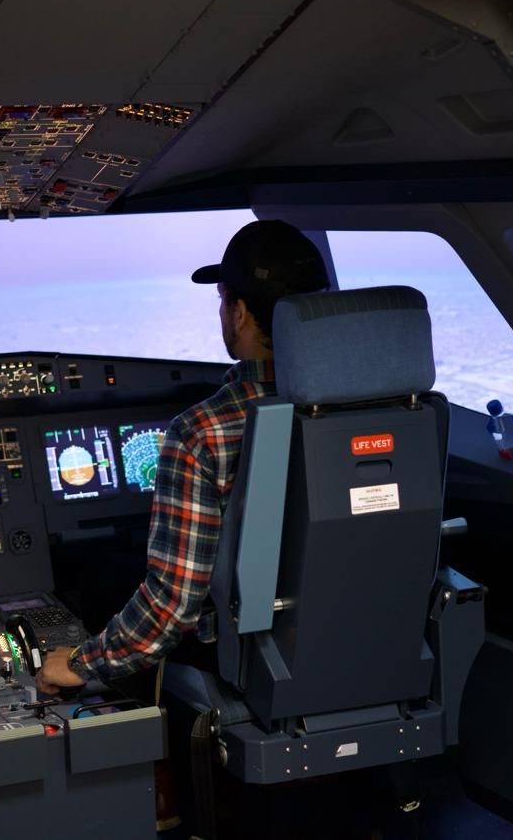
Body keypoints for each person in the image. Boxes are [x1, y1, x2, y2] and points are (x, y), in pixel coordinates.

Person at [35, 219, 329, 693]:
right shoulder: (393, 409)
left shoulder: (201, 431)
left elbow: (172, 606)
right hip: (350, 631)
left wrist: (80, 663)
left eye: (222, 300)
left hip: (247, 654)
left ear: (238, 314)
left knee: (101, 576)